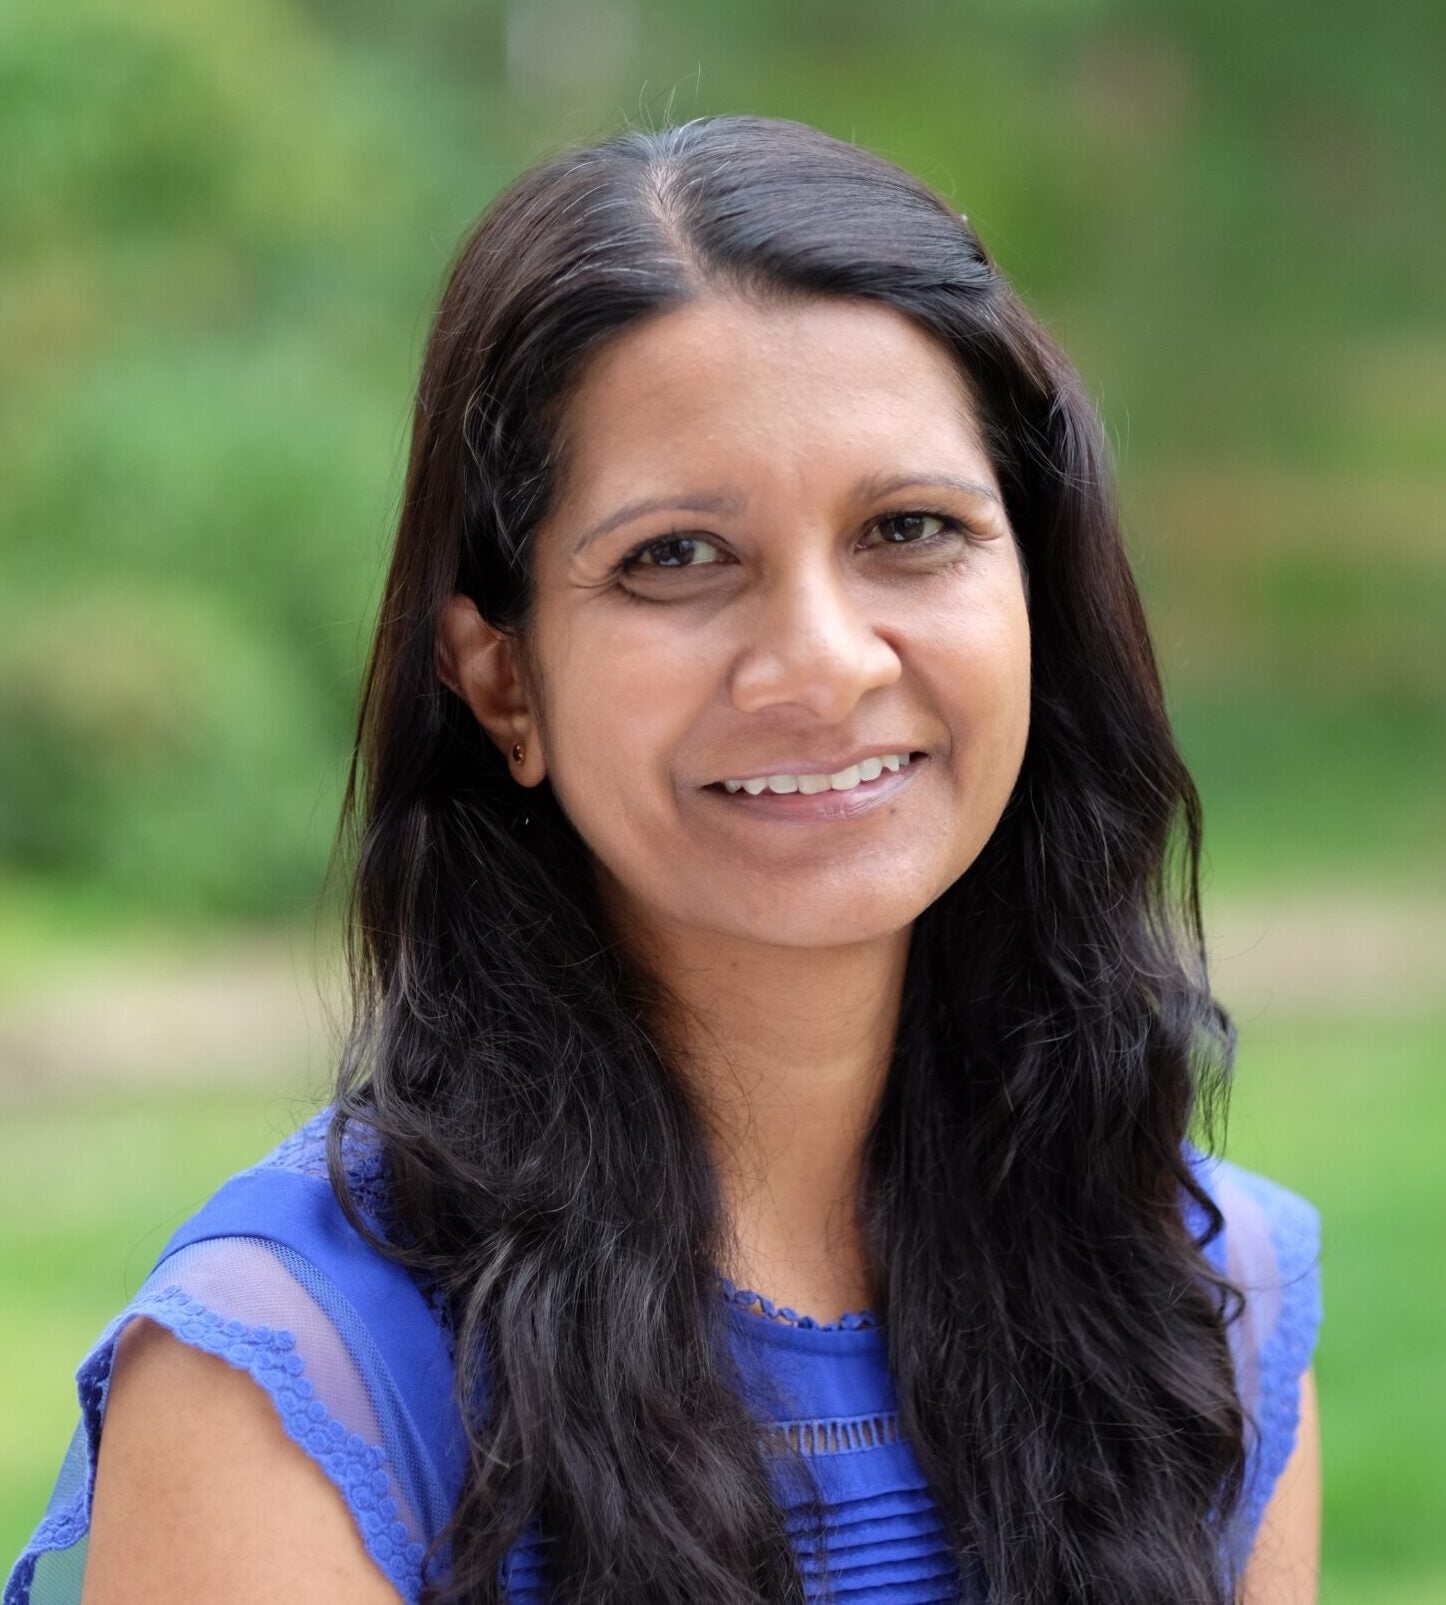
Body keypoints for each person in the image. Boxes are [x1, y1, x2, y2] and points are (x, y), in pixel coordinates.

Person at [7, 115, 1322, 1605]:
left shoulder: (1204, 1306)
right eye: (675, 557)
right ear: (501, 680)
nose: (819, 664)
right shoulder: (301, 1380)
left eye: (907, 527)